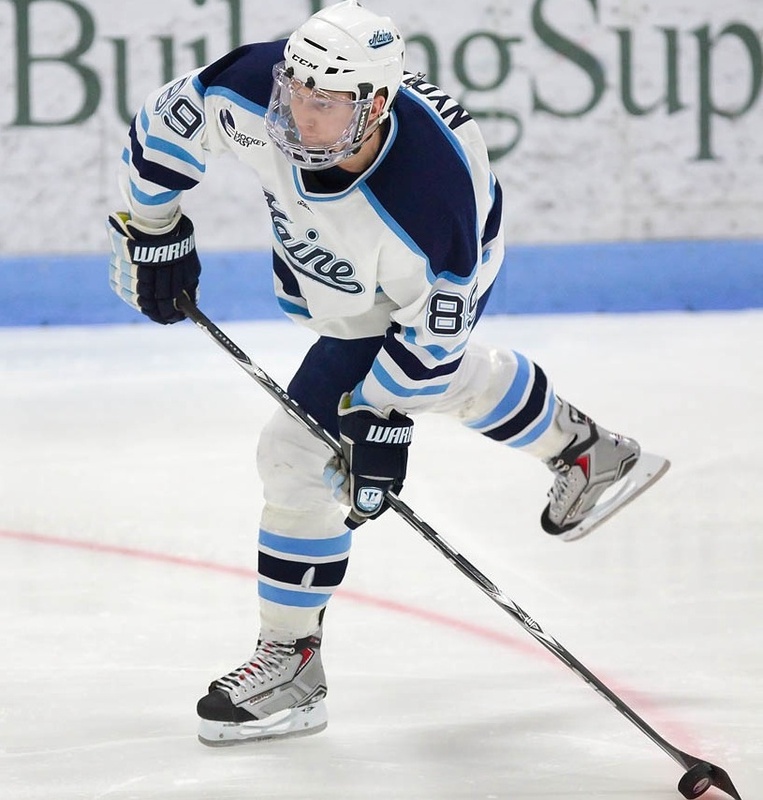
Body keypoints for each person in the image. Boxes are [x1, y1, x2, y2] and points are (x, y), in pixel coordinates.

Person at [107, 0, 668, 746]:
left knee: (300, 453)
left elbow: (430, 344)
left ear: (373, 106)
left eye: (324, 105)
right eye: (294, 93)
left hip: (417, 276)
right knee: (408, 382)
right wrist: (154, 231)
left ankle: (292, 663)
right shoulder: (251, 85)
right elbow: (160, 128)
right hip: (340, 265)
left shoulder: (432, 208)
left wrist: (380, 419)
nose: (298, 116)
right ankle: (587, 451)